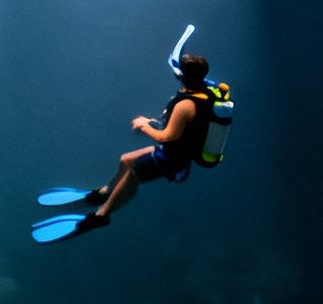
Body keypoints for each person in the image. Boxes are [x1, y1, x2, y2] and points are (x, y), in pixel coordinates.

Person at [31, 27, 222, 244]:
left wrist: (143, 125)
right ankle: (104, 193)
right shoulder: (205, 89)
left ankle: (100, 216)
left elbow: (166, 137)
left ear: (182, 75)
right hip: (175, 151)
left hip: (173, 158)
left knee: (133, 175)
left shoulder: (187, 104)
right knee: (126, 160)